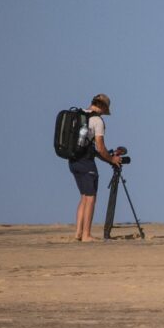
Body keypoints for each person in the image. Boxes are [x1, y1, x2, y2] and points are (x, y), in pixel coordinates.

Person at [69, 94, 122, 241]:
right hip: (86, 163)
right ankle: (86, 234)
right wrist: (112, 159)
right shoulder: (97, 121)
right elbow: (100, 147)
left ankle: (78, 233)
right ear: (103, 107)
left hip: (73, 160)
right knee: (91, 198)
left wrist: (106, 158)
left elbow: (92, 148)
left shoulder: (78, 114)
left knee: (84, 197)